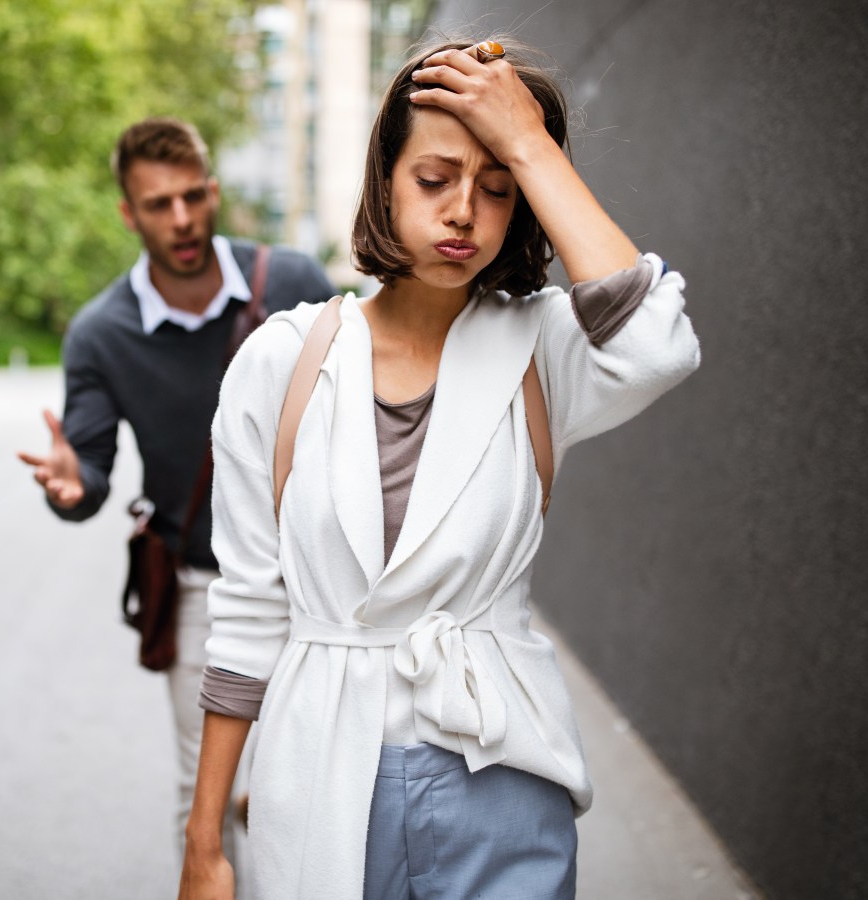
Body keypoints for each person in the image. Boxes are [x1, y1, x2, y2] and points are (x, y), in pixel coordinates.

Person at [180, 36, 701, 900]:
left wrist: (530, 141)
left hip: (502, 771)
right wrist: (204, 846)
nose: (464, 211)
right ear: (384, 179)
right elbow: (246, 611)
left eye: (498, 191)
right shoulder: (282, 362)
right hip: (319, 778)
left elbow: (657, 347)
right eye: (434, 179)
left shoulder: (545, 349)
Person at [17, 117, 335, 863]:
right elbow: (88, 473)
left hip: (326, 580)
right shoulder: (101, 334)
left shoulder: (293, 283)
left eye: (193, 196)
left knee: (327, 784)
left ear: (214, 191)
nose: (183, 219)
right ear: (128, 214)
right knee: (205, 800)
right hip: (203, 587)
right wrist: (71, 484)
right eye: (159, 205)